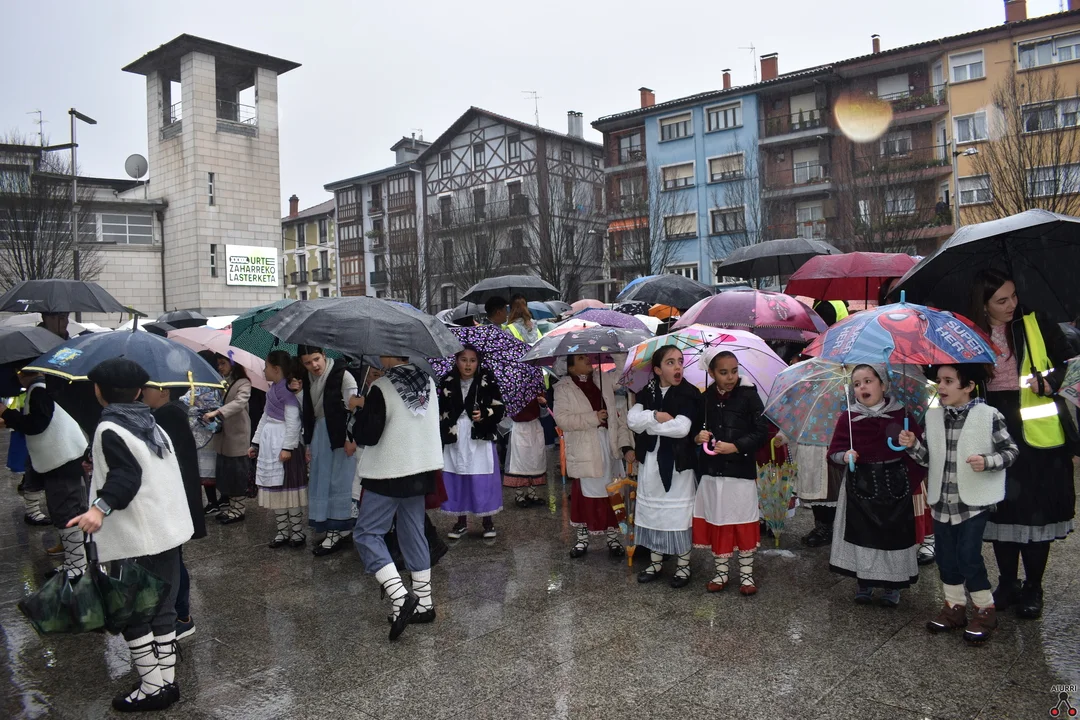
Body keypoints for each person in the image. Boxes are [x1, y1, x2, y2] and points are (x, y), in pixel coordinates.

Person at [67, 358, 193, 712]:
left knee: (135, 612)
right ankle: (165, 683)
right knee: (163, 608)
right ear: (139, 392)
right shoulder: (150, 423)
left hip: (138, 536)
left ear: (98, 391)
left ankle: (151, 689)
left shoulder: (110, 428)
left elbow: (126, 475)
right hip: (167, 530)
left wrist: (99, 508)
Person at [969, 269, 1076, 620]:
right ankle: (1007, 583)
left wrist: (1050, 382)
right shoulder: (971, 332)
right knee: (1001, 508)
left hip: (1039, 435)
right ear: (984, 305)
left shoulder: (1037, 322)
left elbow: (1070, 364)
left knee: (1036, 511)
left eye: (1013, 295)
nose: (1011, 304)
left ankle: (1033, 586)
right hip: (992, 428)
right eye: (1001, 300)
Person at [899, 364, 1018, 644]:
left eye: (949, 381)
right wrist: (912, 444)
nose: (941, 386)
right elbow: (928, 459)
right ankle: (954, 608)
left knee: (968, 556)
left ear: (969, 386)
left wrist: (987, 461)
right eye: (939, 380)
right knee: (945, 557)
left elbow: (1011, 451)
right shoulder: (933, 417)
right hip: (941, 502)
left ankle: (985, 611)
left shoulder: (988, 415)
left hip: (972, 503)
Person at [352, 356, 443, 640]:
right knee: (413, 532)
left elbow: (367, 435)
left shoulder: (382, 386)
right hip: (420, 469)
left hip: (389, 472)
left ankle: (401, 597)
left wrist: (357, 411)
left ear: (390, 353)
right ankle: (424, 603)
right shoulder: (427, 382)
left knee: (367, 533)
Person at [828, 364, 924, 607]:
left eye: (868, 381)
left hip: (894, 485)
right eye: (857, 384)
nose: (862, 387)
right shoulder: (848, 418)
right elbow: (834, 453)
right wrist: (845, 456)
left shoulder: (901, 415)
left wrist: (911, 442)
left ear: (883, 384)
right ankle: (865, 581)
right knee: (863, 535)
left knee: (894, 535)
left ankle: (893, 584)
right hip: (861, 485)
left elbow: (922, 455)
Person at [692, 351, 768, 595]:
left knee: (743, 520)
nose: (731, 377)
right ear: (711, 373)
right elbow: (694, 428)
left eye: (734, 371)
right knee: (719, 520)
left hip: (740, 471)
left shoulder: (749, 395)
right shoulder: (705, 398)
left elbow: (762, 431)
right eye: (723, 372)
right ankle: (721, 572)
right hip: (712, 472)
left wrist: (736, 446)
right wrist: (698, 436)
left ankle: (746, 575)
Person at [0, 368, 88, 578]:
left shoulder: (39, 390)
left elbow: (36, 424)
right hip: (64, 457)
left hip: (62, 460)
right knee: (69, 509)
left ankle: (77, 565)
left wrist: (6, 412)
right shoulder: (44, 387)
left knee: (66, 511)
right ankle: (76, 560)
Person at [627, 346, 702, 587]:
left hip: (679, 465)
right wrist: (656, 416)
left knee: (678, 516)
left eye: (680, 361)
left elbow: (681, 428)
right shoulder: (646, 391)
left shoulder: (690, 393)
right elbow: (632, 420)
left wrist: (648, 425)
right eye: (670, 362)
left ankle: (683, 566)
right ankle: (655, 563)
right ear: (658, 369)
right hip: (650, 462)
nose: (678, 366)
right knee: (654, 514)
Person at [140, 385, 207, 642]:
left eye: (148, 387)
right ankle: (178, 615)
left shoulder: (168, 415)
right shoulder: (169, 412)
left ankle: (182, 617)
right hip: (176, 496)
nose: (143, 392)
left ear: (163, 391)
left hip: (173, 497)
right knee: (172, 558)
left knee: (171, 559)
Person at [553, 354, 634, 559]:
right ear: (571, 367)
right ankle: (582, 540)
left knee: (613, 492)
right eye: (581, 358)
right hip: (585, 448)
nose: (587, 360)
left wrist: (616, 353)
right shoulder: (563, 388)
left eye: (587, 356)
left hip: (608, 444)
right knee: (585, 494)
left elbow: (623, 376)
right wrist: (593, 418)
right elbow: (562, 419)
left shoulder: (602, 378)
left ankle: (613, 539)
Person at [438, 346, 506, 539]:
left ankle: (487, 520)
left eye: (472, 360)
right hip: (456, 436)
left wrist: (484, 414)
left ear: (478, 362)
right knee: (458, 477)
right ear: (456, 361)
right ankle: (461, 521)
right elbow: (440, 409)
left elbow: (500, 409)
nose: (468, 365)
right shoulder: (447, 381)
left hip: (480, 437)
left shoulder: (487, 381)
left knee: (481, 478)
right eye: (463, 359)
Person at [298, 346, 360, 555]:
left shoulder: (343, 375)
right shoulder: (308, 379)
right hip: (320, 434)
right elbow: (308, 411)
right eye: (308, 362)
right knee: (322, 480)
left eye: (316, 359)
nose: (314, 365)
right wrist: (308, 443)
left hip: (339, 435)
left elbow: (354, 409)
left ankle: (338, 530)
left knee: (339, 481)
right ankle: (337, 530)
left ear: (324, 355)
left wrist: (351, 439)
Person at [249, 351, 307, 549]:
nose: (264, 370)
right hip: (270, 444)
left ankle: (297, 532)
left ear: (276, 369)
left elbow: (293, 422)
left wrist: (287, 447)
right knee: (276, 491)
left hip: (284, 445)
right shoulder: (273, 390)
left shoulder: (288, 391)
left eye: (266, 366)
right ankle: (282, 531)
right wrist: (256, 443)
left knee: (289, 491)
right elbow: (264, 417)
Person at [201, 355, 251, 525]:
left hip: (237, 434)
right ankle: (233, 507)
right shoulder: (221, 382)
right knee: (228, 474)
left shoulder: (243, 383)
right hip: (223, 435)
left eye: (223, 363)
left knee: (237, 473)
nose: (220, 367)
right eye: (219, 364)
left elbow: (239, 402)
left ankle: (239, 509)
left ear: (233, 363)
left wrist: (217, 412)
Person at [503, 393, 550, 509]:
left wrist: (543, 404)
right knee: (520, 463)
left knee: (535, 462)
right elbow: (505, 413)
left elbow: (544, 414)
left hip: (535, 427)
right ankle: (519, 495)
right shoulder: (510, 391)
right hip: (519, 428)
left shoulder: (537, 390)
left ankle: (532, 493)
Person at [192, 351, 223, 514]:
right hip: (212, 428)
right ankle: (220, 500)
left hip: (204, 429)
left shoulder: (203, 381)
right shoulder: (218, 379)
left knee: (206, 467)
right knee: (211, 467)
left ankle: (213, 502)